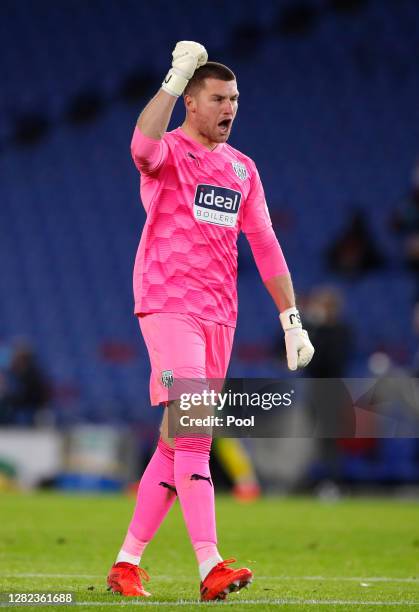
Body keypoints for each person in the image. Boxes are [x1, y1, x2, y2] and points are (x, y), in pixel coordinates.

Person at [107, 41, 314, 601]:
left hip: (220, 313)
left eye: (236, 99)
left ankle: (127, 563)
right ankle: (210, 566)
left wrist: (291, 318)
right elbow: (140, 145)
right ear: (193, 104)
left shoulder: (243, 168)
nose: (230, 107)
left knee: (176, 443)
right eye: (220, 98)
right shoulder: (170, 152)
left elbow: (265, 244)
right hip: (169, 303)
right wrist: (174, 77)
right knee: (197, 431)